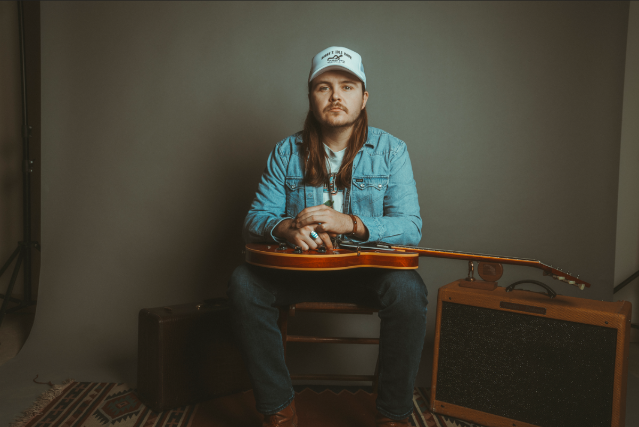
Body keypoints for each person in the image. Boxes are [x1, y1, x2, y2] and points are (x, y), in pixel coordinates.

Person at [228, 46, 428, 427]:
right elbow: (254, 219)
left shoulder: (392, 151)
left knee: (409, 290)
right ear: (311, 96)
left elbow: (411, 227)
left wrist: (351, 224)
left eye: (347, 86)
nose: (336, 96)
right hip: (300, 273)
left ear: (363, 97)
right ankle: (278, 409)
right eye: (324, 87)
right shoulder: (285, 152)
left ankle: (394, 415)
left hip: (366, 274)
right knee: (243, 282)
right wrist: (284, 228)